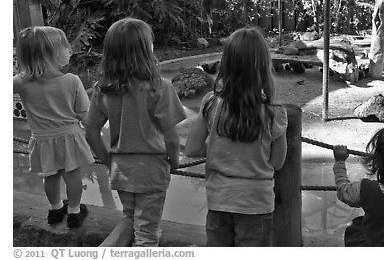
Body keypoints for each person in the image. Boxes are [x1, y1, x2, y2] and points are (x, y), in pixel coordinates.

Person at [83, 18, 186, 246]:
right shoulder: (160, 87)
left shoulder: (104, 89)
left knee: (132, 219)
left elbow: (91, 131)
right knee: (147, 234)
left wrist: (109, 161)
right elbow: (171, 136)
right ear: (145, 49)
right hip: (151, 171)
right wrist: (175, 161)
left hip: (121, 171)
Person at [184, 27, 288, 246]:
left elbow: (192, 149)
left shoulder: (211, 102)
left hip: (219, 200)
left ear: (227, 63)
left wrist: (216, 150)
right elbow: (277, 162)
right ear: (263, 65)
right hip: (256, 203)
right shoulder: (274, 111)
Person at [13, 26, 94, 228]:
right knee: (73, 175)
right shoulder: (72, 81)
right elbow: (85, 114)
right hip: (70, 137)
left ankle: (55, 209)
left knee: (50, 176)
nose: (69, 50)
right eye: (65, 47)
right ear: (54, 54)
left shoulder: (20, 82)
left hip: (41, 139)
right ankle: (74, 212)